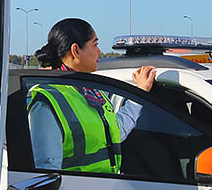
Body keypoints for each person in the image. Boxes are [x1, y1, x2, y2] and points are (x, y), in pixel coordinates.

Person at [27, 18, 157, 173]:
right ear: (76, 51)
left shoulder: (94, 92)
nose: (99, 51)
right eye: (95, 44)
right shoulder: (48, 101)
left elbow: (115, 132)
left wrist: (139, 94)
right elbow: (46, 170)